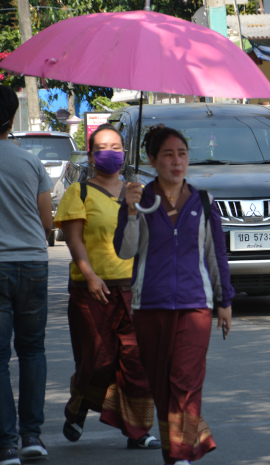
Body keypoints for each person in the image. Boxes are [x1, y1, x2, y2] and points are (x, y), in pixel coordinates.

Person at [114, 125, 234, 465]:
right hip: (149, 305)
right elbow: (125, 251)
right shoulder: (139, 199)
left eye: (182, 154)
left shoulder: (203, 200)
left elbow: (216, 256)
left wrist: (224, 302)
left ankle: (181, 456)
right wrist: (132, 211)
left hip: (196, 305)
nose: (177, 161)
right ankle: (176, 452)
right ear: (152, 160)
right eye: (168, 154)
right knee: (162, 384)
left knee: (186, 380)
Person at [53, 124, 161, 450]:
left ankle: (138, 431)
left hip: (134, 289)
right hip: (92, 290)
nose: (110, 153)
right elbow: (73, 241)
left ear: (125, 153)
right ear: (91, 154)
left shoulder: (138, 192)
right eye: (103, 147)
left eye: (116, 147)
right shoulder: (79, 193)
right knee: (97, 362)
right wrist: (89, 275)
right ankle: (78, 406)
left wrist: (134, 206)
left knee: (138, 362)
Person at [0, 85, 53, 465]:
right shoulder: (31, 163)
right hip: (33, 263)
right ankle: (32, 436)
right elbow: (47, 222)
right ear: (12, 118)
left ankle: (5, 444)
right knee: (32, 350)